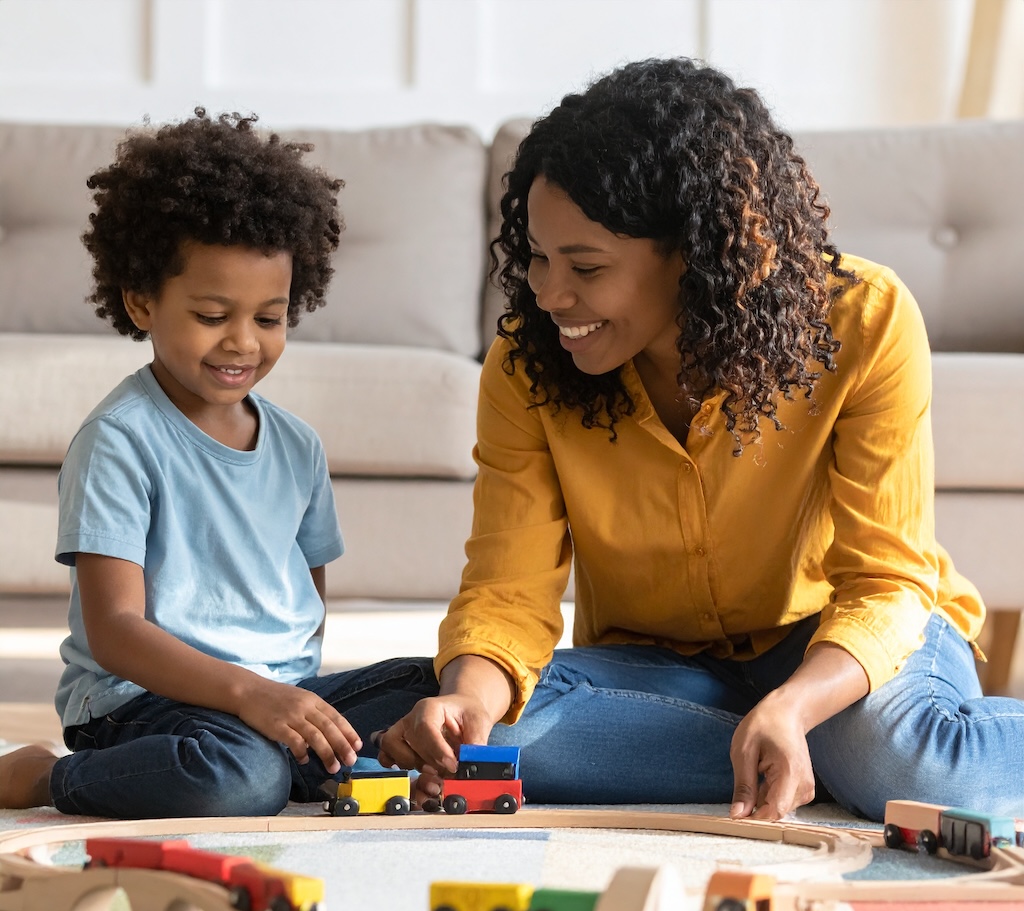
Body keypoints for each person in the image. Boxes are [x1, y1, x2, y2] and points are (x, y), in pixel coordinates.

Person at [374, 58, 1024, 823]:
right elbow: (506, 591)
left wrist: (795, 705)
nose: (549, 295)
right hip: (665, 670)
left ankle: (816, 743)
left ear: (698, 253)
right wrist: (468, 703)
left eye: (585, 266)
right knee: (495, 736)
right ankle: (800, 755)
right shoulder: (526, 366)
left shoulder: (864, 321)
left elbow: (885, 583)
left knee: (907, 763)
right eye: (539, 258)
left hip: (839, 646)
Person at [0, 110, 436, 818]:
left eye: (269, 318)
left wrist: (282, 695)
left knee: (436, 684)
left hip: (273, 697)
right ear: (142, 301)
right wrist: (249, 694)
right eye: (212, 315)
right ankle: (46, 778)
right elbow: (114, 632)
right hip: (143, 701)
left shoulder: (298, 446)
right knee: (240, 779)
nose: (243, 342)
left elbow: (308, 600)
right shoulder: (119, 438)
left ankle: (306, 759)